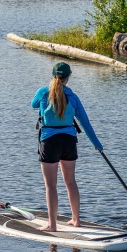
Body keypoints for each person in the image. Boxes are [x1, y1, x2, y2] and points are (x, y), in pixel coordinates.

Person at [31, 62, 103, 231]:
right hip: (69, 140)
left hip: (50, 141)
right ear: (68, 78)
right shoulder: (73, 96)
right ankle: (76, 220)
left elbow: (33, 104)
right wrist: (97, 144)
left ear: (53, 76)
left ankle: (52, 224)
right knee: (71, 182)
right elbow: (85, 122)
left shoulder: (43, 93)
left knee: (51, 185)